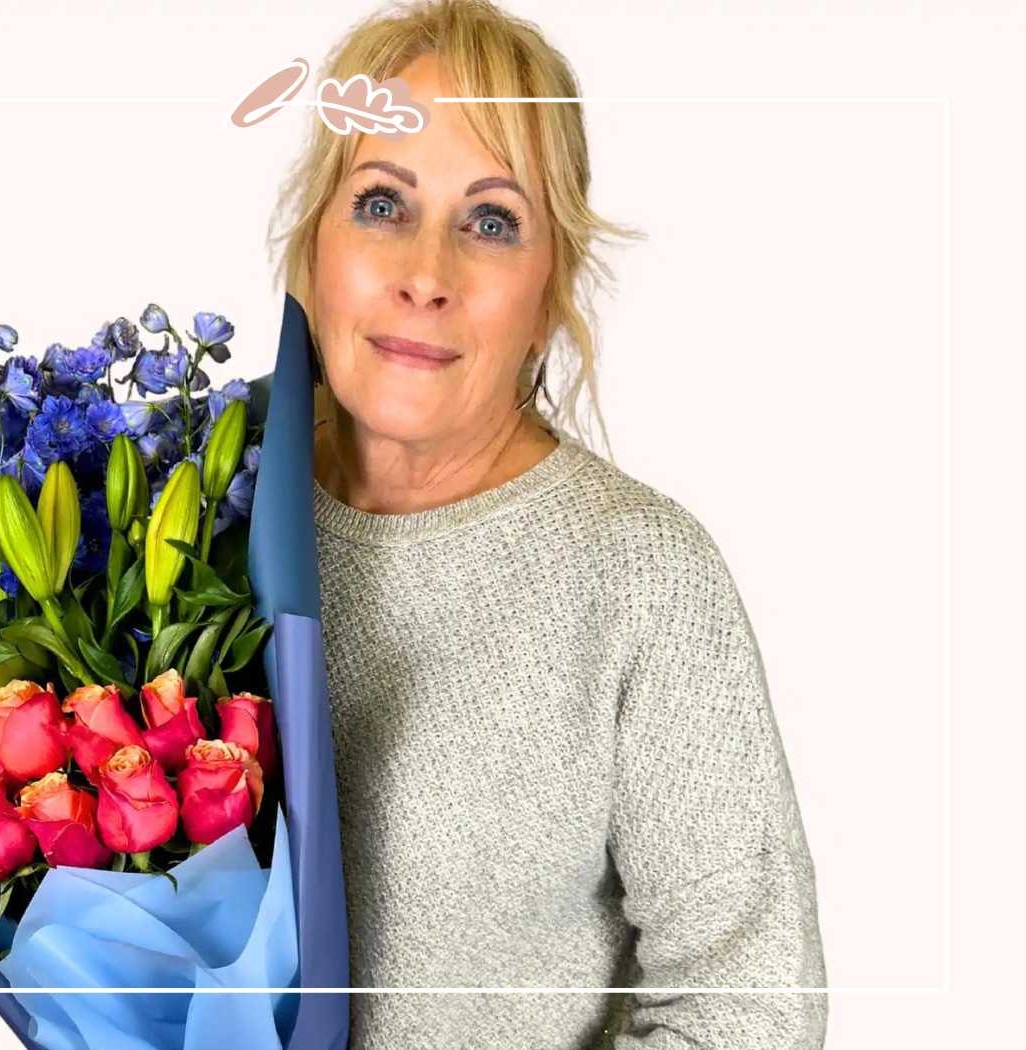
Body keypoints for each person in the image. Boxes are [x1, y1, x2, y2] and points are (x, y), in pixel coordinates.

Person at [267, 2, 829, 1047]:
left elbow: (744, 1006)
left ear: (550, 286)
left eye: (490, 221)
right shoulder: (184, 530)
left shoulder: (639, 580)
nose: (425, 274)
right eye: (382, 202)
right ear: (312, 244)